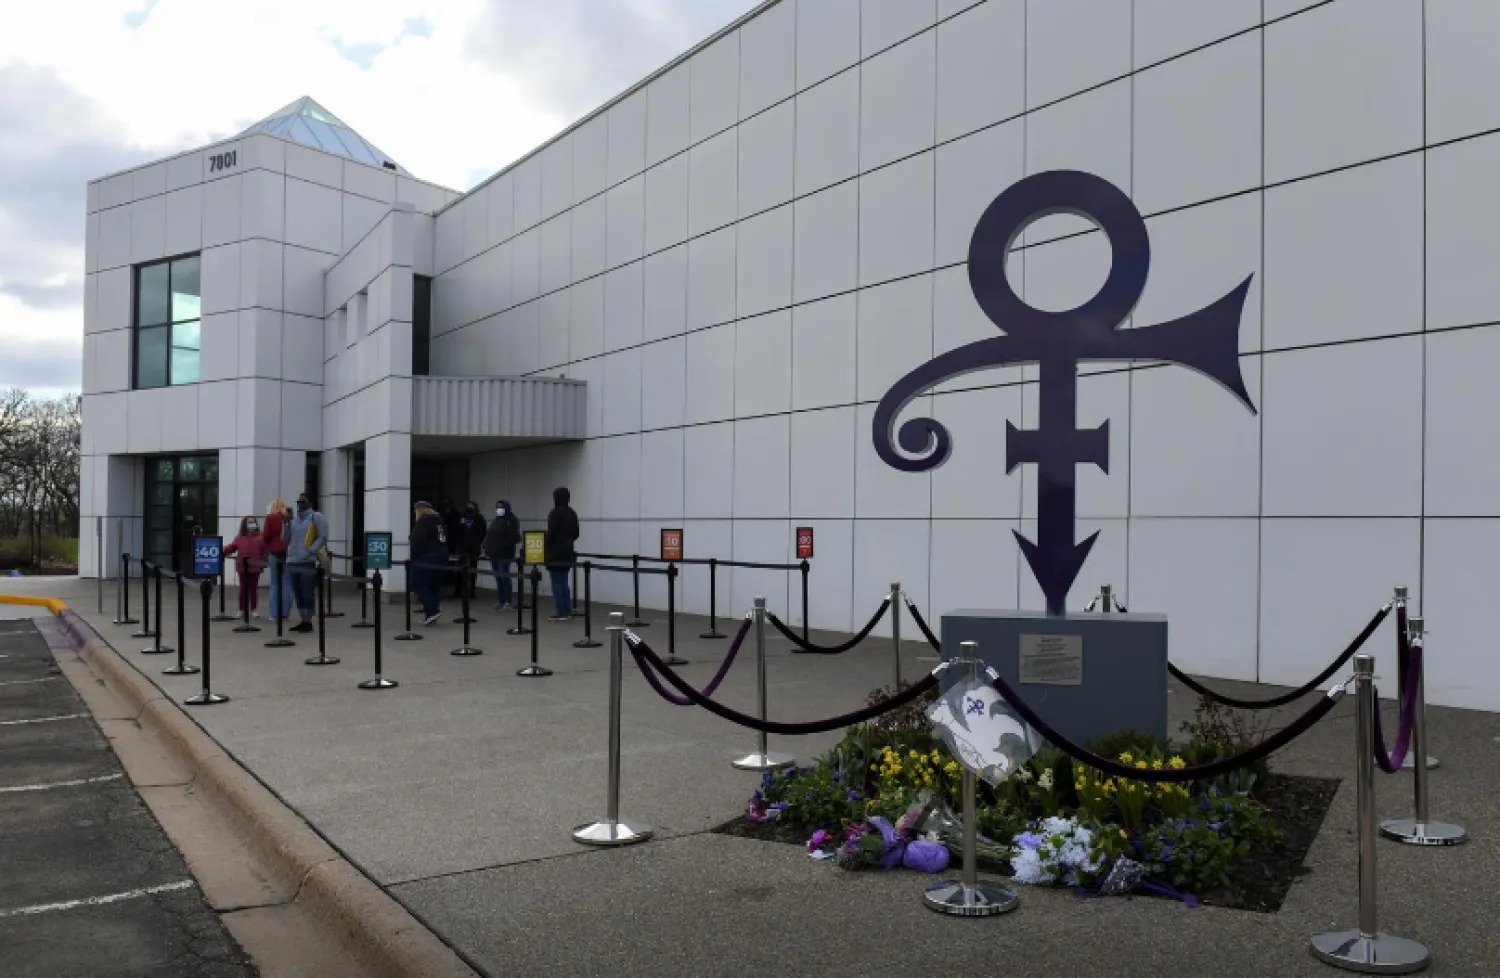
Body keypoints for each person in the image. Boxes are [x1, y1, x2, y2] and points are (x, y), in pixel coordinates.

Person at [282, 492, 328, 633]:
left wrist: (310, 550)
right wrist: (286, 522)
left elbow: (323, 537)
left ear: (310, 503)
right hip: (292, 560)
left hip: (307, 561)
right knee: (298, 592)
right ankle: (303, 620)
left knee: (307, 592)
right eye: (298, 501)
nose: (300, 504)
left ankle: (308, 621)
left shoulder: (316, 517)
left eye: (303, 501)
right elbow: (285, 538)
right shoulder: (294, 520)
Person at [409, 500, 448, 625]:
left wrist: (413, 557)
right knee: (433, 585)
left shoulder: (423, 522)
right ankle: (431, 615)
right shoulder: (439, 521)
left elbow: (417, 540)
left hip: (427, 557)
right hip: (441, 555)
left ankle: (432, 611)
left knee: (418, 583)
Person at [544, 486, 579, 621]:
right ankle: (567, 610)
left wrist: (546, 547)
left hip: (555, 552)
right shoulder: (572, 513)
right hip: (567, 551)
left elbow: (551, 533)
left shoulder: (554, 513)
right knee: (564, 582)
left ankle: (561, 611)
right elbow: (576, 533)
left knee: (556, 582)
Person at [223, 516, 268, 618]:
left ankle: (254, 609)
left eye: (253, 522)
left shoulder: (260, 538)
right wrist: (222, 550)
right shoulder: (239, 538)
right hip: (242, 567)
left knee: (253, 588)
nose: (251, 524)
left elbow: (265, 551)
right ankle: (241, 609)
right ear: (245, 524)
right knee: (243, 589)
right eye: (249, 522)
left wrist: (263, 562)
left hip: (255, 567)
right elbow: (232, 547)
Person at [483, 499, 520, 610]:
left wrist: (500, 545)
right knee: (498, 577)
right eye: (498, 508)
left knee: (504, 577)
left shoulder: (512, 520)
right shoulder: (497, 520)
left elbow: (514, 537)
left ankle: (508, 601)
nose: (499, 510)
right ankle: (501, 600)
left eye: (501, 508)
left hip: (504, 554)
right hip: (494, 553)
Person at [262, 498, 292, 621]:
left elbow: (266, 536)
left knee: (275, 584)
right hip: (288, 553)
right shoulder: (289, 518)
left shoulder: (270, 518)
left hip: (274, 552)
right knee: (286, 583)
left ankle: (274, 614)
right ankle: (284, 613)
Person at [454, 501, 487, 599]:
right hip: (461, 548)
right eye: (468, 507)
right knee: (458, 571)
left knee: (472, 571)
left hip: (473, 549)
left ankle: (471, 592)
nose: (469, 509)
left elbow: (482, 532)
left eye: (471, 507)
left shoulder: (479, 519)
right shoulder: (462, 517)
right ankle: (457, 591)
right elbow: (456, 530)